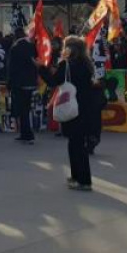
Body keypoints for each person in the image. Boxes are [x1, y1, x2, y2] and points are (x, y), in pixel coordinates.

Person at [52, 36, 96, 191]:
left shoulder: (68, 65)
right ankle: (77, 176)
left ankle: (83, 180)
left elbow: (54, 81)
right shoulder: (86, 64)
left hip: (73, 107)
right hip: (84, 107)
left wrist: (41, 67)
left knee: (75, 144)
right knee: (77, 144)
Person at [7, 27, 37, 143]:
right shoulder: (31, 46)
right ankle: (25, 132)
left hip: (19, 83)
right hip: (30, 82)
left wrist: (10, 81)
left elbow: (12, 67)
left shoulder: (15, 48)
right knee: (26, 108)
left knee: (22, 109)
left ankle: (27, 133)